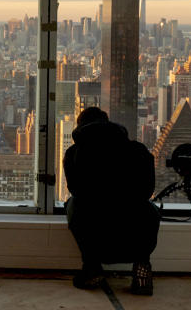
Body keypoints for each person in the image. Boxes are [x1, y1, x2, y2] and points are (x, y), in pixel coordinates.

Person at [63, 106, 160, 296]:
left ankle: (92, 268)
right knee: (150, 210)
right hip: (133, 232)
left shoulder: (74, 153)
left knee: (73, 205)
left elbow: (75, 190)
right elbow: (148, 190)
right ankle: (142, 268)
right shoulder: (137, 150)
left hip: (95, 232)